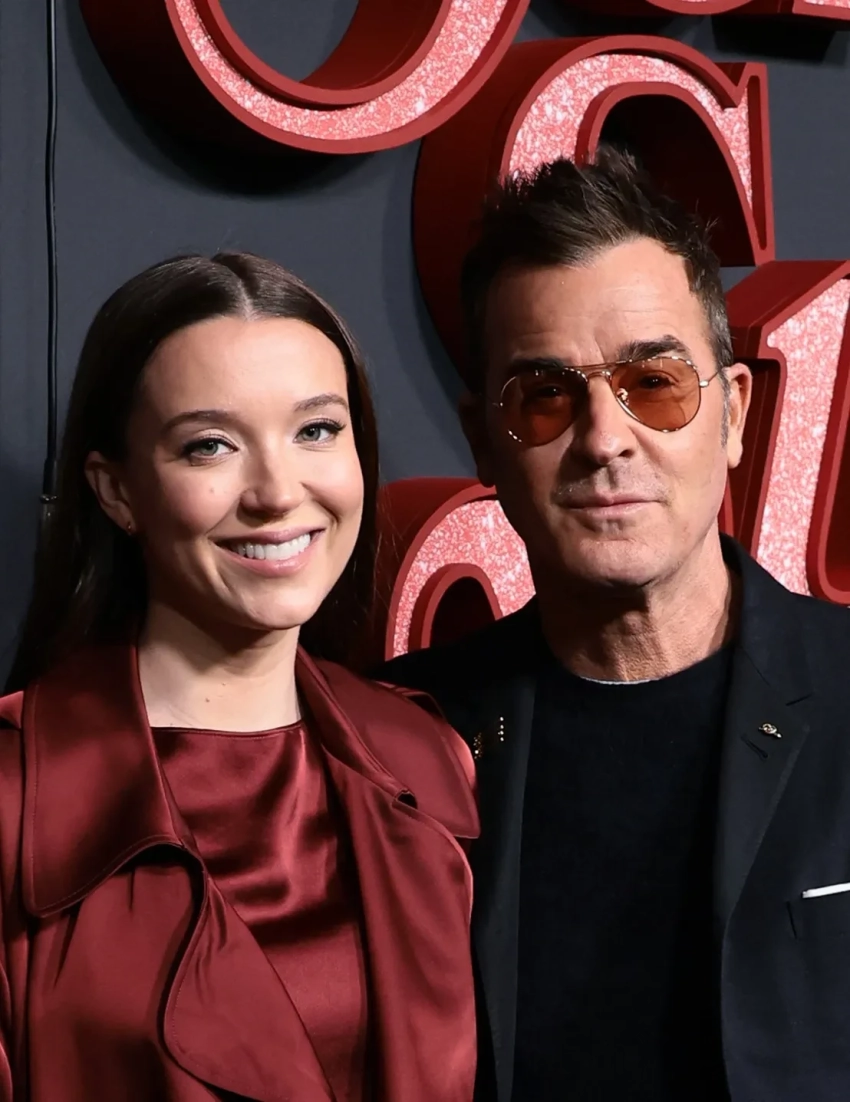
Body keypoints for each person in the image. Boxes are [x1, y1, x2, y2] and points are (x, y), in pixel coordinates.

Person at [380, 148, 850, 1102]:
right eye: (545, 397)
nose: (603, 439)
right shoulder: (398, 744)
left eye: (655, 385)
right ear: (484, 444)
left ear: (733, 415)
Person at [0, 253, 479, 1102]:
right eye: (210, 445)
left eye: (316, 430)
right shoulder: (14, 799)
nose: (276, 492)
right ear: (117, 491)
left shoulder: (427, 758)